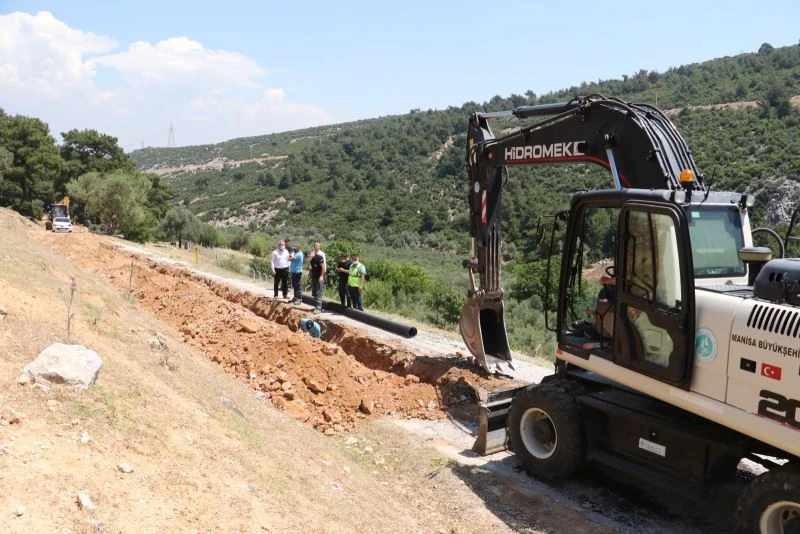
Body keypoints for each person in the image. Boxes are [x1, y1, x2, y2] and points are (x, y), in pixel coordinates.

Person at [308, 242, 326, 313]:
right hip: (314, 276)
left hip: (319, 277)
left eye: (310, 255)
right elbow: (312, 267)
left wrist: (322, 276)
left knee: (319, 292)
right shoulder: (311, 260)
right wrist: (310, 273)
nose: (309, 256)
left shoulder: (319, 257)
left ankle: (318, 308)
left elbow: (323, 267)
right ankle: (316, 307)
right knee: (314, 292)